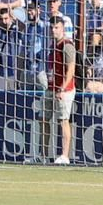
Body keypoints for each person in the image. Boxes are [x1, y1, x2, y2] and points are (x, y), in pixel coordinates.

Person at [44, 15, 76, 165]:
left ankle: (65, 155)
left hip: (64, 90)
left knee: (63, 121)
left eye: (56, 27)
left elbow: (71, 70)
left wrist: (62, 88)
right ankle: (43, 154)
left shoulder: (67, 45)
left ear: (62, 28)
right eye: (51, 27)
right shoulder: (52, 45)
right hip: (51, 87)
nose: (53, 30)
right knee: (43, 119)